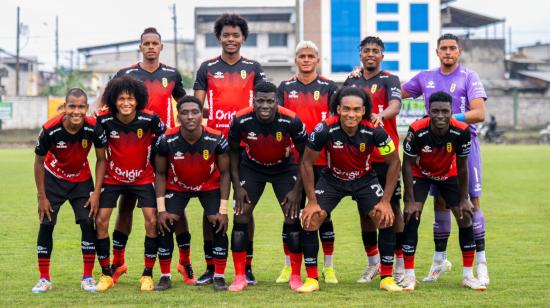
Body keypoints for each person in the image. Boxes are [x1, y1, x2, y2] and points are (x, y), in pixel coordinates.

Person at [402, 33, 489, 285]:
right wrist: (364, 77)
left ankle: (480, 263)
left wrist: (448, 121)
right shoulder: (426, 77)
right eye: (444, 48)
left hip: (463, 144)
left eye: (452, 48)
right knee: (440, 203)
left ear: (459, 51)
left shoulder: (469, 76)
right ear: (437, 52)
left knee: (469, 203)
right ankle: (439, 261)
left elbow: (479, 113)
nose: (448, 52)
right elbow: (397, 91)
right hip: (432, 146)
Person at [109, 27, 195, 285]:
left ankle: (184, 261)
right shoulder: (125, 74)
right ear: (140, 46)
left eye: (154, 43)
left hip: (163, 148)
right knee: (125, 206)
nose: (150, 47)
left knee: (172, 206)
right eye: (146, 43)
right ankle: (118, 262)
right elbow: (107, 102)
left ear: (161, 46)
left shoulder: (171, 74)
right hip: (132, 148)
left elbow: (186, 104)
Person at [299, 87, 402, 293]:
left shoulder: (375, 130)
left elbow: (394, 163)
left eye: (356, 109)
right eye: (346, 109)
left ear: (364, 110)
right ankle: (312, 279)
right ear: (338, 108)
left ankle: (387, 278)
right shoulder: (324, 129)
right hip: (333, 180)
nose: (351, 114)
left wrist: (385, 201)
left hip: (364, 179)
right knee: (311, 219)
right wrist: (311, 201)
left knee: (384, 216)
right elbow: (306, 163)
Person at [193, 13, 267, 286]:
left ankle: (246, 267)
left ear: (243, 38)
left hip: (247, 146)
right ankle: (212, 266)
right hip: (214, 146)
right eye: (226, 35)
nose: (231, 39)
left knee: (243, 207)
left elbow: (265, 103)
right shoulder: (207, 67)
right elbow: (197, 107)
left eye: (236, 35)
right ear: (219, 38)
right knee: (210, 206)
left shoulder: (254, 68)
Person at [227, 81, 308, 292]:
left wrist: (297, 189)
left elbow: (305, 157)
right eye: (260, 101)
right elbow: (233, 152)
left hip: (284, 169)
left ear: (277, 102)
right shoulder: (240, 119)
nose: (265, 105)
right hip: (252, 168)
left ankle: (296, 276)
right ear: (253, 101)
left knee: (292, 218)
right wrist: (238, 186)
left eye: (270, 101)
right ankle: (239, 276)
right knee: (240, 217)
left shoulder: (291, 120)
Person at [94, 75, 166, 292]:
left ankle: (147, 274)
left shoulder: (151, 119)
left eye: (131, 99)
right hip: (113, 178)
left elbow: (165, 141)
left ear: (139, 100)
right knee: (101, 221)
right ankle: (107, 273)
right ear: (113, 100)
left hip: (143, 177)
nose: (126, 103)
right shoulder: (103, 119)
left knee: (152, 221)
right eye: (121, 98)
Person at [32, 88, 107, 293]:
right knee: (46, 223)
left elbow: (101, 160)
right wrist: (42, 196)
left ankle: (88, 277)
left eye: (81, 107)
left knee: (86, 221)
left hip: (81, 181)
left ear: (87, 108)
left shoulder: (94, 128)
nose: (76, 111)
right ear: (64, 107)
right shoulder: (50, 129)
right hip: (53, 179)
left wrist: (97, 193)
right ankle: (44, 278)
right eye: (72, 106)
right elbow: (38, 162)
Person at [276, 40, 339, 284]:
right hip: (292, 160)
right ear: (295, 60)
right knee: (291, 214)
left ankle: (329, 267)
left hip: (322, 160)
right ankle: (288, 267)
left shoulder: (329, 87)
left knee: (322, 214)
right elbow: (279, 120)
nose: (305, 60)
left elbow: (336, 122)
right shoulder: (285, 86)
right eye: (301, 56)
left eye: (310, 56)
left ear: (317, 60)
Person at [343, 36, 405, 284]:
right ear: (360, 54)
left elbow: (396, 105)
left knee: (393, 207)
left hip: (385, 156)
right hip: (359, 157)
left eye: (376, 51)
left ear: (382, 55)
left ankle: (399, 265)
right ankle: (373, 264)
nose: (371, 54)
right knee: (365, 211)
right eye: (366, 50)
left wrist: (380, 114)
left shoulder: (390, 79)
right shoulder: (352, 80)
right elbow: (340, 105)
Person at [153, 96, 231, 291]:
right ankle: (165, 276)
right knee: (165, 222)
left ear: (201, 115)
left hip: (208, 185)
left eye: (194, 112)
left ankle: (218, 275)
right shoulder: (166, 139)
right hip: (177, 185)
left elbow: (225, 173)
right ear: (178, 116)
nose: (190, 117)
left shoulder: (216, 138)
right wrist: (161, 210)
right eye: (185, 113)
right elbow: (160, 173)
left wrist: (223, 210)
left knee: (217, 222)